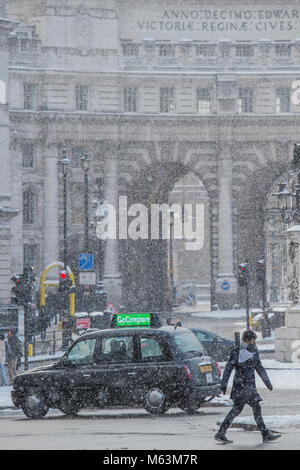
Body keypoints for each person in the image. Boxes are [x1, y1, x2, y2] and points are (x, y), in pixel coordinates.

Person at [214, 329, 281, 444]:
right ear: (244, 340)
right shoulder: (236, 352)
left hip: (249, 386)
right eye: (250, 340)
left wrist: (267, 382)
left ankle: (221, 433)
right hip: (241, 386)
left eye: (253, 340)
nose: (252, 342)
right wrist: (224, 384)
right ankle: (265, 434)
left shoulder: (254, 351)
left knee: (243, 409)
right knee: (247, 409)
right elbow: (228, 369)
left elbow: (259, 367)